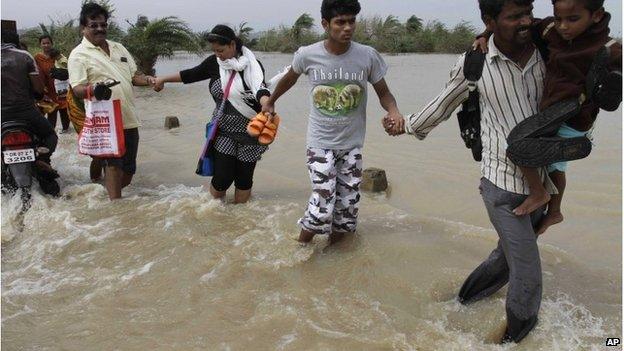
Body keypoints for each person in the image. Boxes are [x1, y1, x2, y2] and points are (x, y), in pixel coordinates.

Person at [384, 0, 552, 343]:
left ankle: (462, 300)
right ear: (490, 21)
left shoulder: (547, 50)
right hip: (502, 185)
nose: (525, 21)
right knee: (528, 271)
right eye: (514, 16)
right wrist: (405, 126)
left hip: (544, 181)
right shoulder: (474, 64)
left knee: (506, 259)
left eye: (528, 12)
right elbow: (443, 104)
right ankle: (514, 339)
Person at [473, 0, 621, 234]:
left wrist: (612, 84)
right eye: (559, 18)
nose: (563, 26)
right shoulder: (551, 31)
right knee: (552, 166)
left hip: (575, 115)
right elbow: (516, 24)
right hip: (552, 109)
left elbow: (617, 74)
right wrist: (485, 34)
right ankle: (554, 211)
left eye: (572, 19)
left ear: (596, 15)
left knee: (520, 146)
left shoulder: (607, 47)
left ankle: (540, 195)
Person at [262, 0, 404, 245]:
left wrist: (394, 110)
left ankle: (333, 260)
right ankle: (300, 249)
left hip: (352, 145)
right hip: (320, 144)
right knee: (322, 209)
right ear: (326, 24)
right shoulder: (308, 54)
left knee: (346, 214)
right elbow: (289, 79)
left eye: (352, 21)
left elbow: (384, 93)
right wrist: (271, 101)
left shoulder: (367, 56)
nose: (347, 27)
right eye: (340, 22)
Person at [152, 25, 271, 204]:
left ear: (232, 44)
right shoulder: (214, 63)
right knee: (222, 178)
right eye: (214, 51)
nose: (218, 55)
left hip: (251, 132)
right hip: (222, 131)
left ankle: (240, 220)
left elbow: (260, 88)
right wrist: (163, 79)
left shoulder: (252, 66)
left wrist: (266, 104)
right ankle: (214, 214)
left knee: (244, 179)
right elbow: (190, 75)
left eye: (221, 50)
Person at [68, 2, 155, 200]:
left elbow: (135, 76)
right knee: (113, 165)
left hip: (129, 117)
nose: (100, 29)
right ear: (83, 28)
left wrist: (150, 80)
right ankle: (115, 208)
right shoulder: (78, 54)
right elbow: (77, 88)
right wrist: (94, 89)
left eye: (103, 24)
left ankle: (103, 196)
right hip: (105, 120)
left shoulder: (119, 48)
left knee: (129, 170)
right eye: (94, 25)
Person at [1, 31, 60, 193]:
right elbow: (39, 90)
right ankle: (42, 159)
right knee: (50, 135)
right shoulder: (25, 56)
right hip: (26, 113)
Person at [35, 35, 70, 133]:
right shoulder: (38, 58)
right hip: (46, 88)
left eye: (48, 43)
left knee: (63, 107)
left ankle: (65, 128)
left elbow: (66, 67)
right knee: (51, 109)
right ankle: (50, 130)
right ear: (40, 45)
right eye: (43, 43)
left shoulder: (57, 56)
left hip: (59, 86)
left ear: (52, 43)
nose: (46, 45)